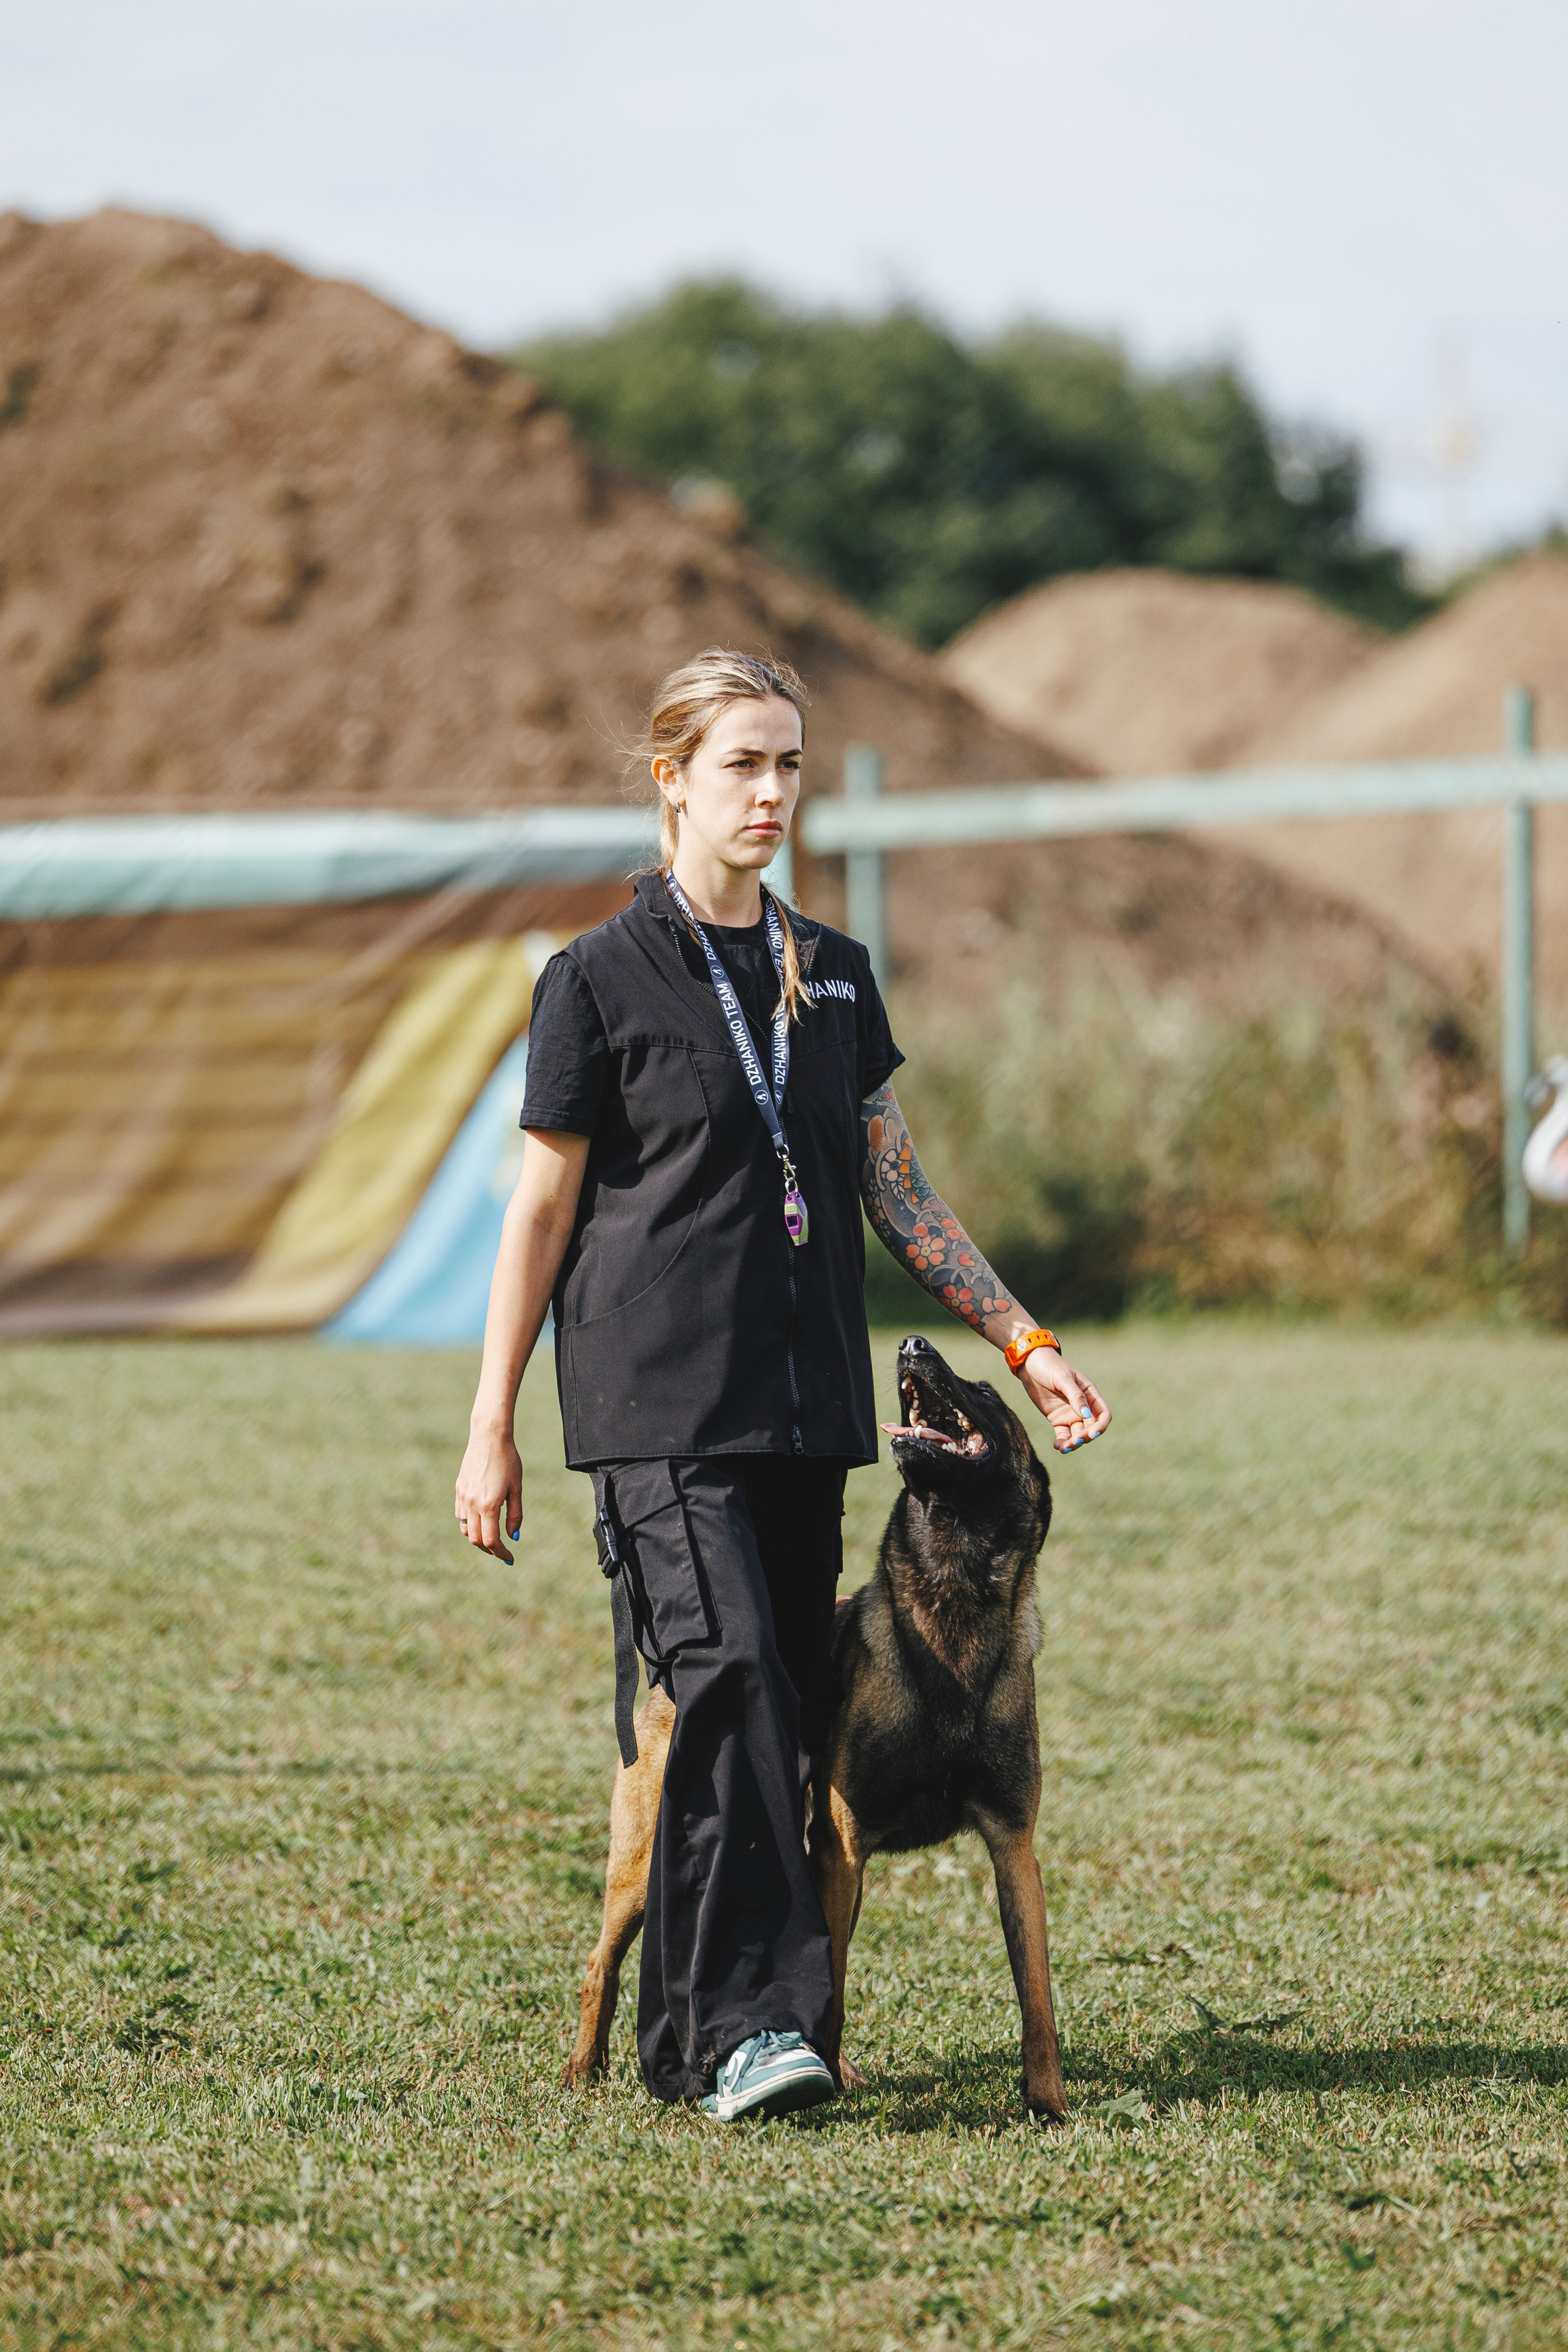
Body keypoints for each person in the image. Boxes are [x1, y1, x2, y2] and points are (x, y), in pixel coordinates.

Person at [454, 648, 1110, 2123]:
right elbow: (538, 1215)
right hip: (655, 1414)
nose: (770, 793)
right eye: (740, 764)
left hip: (807, 1417)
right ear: (670, 780)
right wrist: (491, 1425)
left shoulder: (836, 974)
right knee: (736, 1675)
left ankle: (691, 2040)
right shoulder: (594, 982)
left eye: (789, 765)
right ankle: (758, 2031)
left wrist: (1023, 1341)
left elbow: (898, 1193)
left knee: (761, 1701)